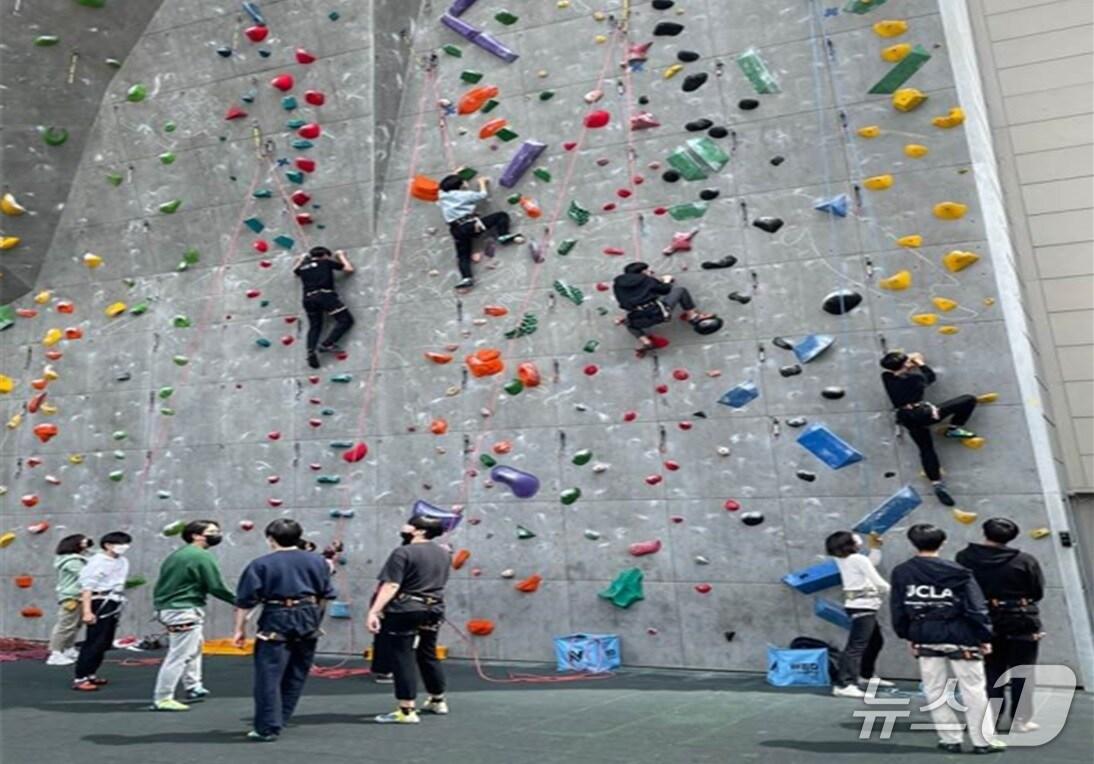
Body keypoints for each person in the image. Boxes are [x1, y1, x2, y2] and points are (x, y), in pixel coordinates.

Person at [890, 524, 1005, 755]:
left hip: (924, 635)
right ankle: (983, 741)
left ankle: (949, 738)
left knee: (934, 689)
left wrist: (908, 635)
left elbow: (898, 608)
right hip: (962, 636)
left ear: (913, 543)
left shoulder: (902, 572)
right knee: (973, 689)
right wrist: (983, 635)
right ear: (942, 543)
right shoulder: (959, 572)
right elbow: (976, 608)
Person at [233, 519, 336, 742]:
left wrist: (239, 630)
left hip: (276, 615)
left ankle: (268, 726)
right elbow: (325, 595)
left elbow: (245, 601)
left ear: (270, 539)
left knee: (268, 674)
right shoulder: (318, 562)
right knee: (297, 671)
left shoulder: (260, 564)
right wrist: (316, 620)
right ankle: (282, 716)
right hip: (308, 614)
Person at [956, 518, 1045, 733]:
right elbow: (1037, 592)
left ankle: (991, 717)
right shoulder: (1024, 560)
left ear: (984, 532)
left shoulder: (964, 558)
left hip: (984, 618)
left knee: (990, 671)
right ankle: (1020, 720)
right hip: (1021, 618)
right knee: (1022, 671)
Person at [367, 515, 451, 724]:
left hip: (406, 609)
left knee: (402, 656)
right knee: (428, 653)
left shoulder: (402, 552)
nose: (403, 527)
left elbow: (392, 585)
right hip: (434, 608)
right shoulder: (443, 553)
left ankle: (406, 710)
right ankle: (437, 699)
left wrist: (374, 611)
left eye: (409, 525)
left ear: (420, 531)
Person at [150, 520, 235, 711]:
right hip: (183, 610)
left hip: (171, 608)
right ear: (196, 535)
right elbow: (216, 586)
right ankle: (163, 697)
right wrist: (239, 601)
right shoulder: (201, 556)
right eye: (212, 532)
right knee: (179, 655)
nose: (217, 534)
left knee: (195, 648)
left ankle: (193, 685)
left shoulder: (178, 555)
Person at [879, 351, 978, 507]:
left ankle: (937, 483)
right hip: (923, 413)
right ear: (905, 365)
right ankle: (954, 427)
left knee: (926, 448)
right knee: (968, 399)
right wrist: (920, 363)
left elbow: (896, 371)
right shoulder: (915, 379)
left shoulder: (886, 377)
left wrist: (907, 363)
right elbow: (930, 376)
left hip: (906, 417)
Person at [825, 531, 892, 698]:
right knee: (857, 646)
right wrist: (899, 591)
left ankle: (866, 675)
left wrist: (875, 548)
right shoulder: (856, 559)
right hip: (864, 606)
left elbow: (869, 564)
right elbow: (878, 581)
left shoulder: (845, 559)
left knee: (875, 641)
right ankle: (844, 684)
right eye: (853, 536)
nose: (856, 537)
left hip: (859, 606)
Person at [437, 172, 524, 290]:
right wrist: (482, 183)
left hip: (456, 230)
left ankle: (466, 278)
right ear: (460, 185)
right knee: (501, 216)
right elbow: (482, 195)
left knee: (463, 255)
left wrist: (457, 173)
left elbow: (444, 184)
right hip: (470, 225)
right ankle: (503, 235)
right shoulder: (465, 195)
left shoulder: (442, 195)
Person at [72, 531, 132, 692]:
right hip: (99, 601)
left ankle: (91, 672)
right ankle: (80, 677)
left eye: (126, 544)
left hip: (114, 600)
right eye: (120, 544)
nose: (124, 547)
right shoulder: (97, 562)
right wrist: (87, 612)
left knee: (105, 641)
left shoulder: (123, 561)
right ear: (107, 545)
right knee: (94, 640)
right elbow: (87, 588)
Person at [612, 262, 715, 352]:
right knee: (680, 291)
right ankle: (693, 316)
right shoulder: (646, 279)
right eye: (648, 270)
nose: (651, 272)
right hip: (659, 313)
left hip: (638, 316)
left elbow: (624, 303)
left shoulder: (618, 285)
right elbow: (665, 290)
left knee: (630, 324)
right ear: (643, 272)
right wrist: (666, 280)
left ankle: (645, 341)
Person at [292, 246, 355, 369]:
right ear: (325, 255)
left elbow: (295, 272)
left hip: (308, 299)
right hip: (325, 295)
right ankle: (327, 343)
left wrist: (301, 259)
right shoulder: (325, 262)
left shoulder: (304, 266)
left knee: (315, 326)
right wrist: (341, 255)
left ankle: (310, 351)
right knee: (346, 320)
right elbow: (349, 269)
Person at [46, 534, 94, 666]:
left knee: (75, 625)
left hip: (78, 597)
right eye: (83, 542)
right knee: (66, 625)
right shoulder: (72, 561)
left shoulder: (79, 558)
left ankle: (68, 649)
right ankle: (55, 653)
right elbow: (86, 574)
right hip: (71, 597)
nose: (86, 544)